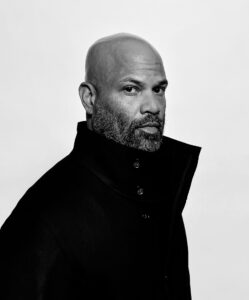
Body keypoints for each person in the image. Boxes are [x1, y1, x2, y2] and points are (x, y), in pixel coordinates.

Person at [0, 33, 201, 299]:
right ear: (89, 99)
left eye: (159, 89)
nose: (153, 106)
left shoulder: (158, 191)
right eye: (131, 89)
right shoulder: (45, 215)